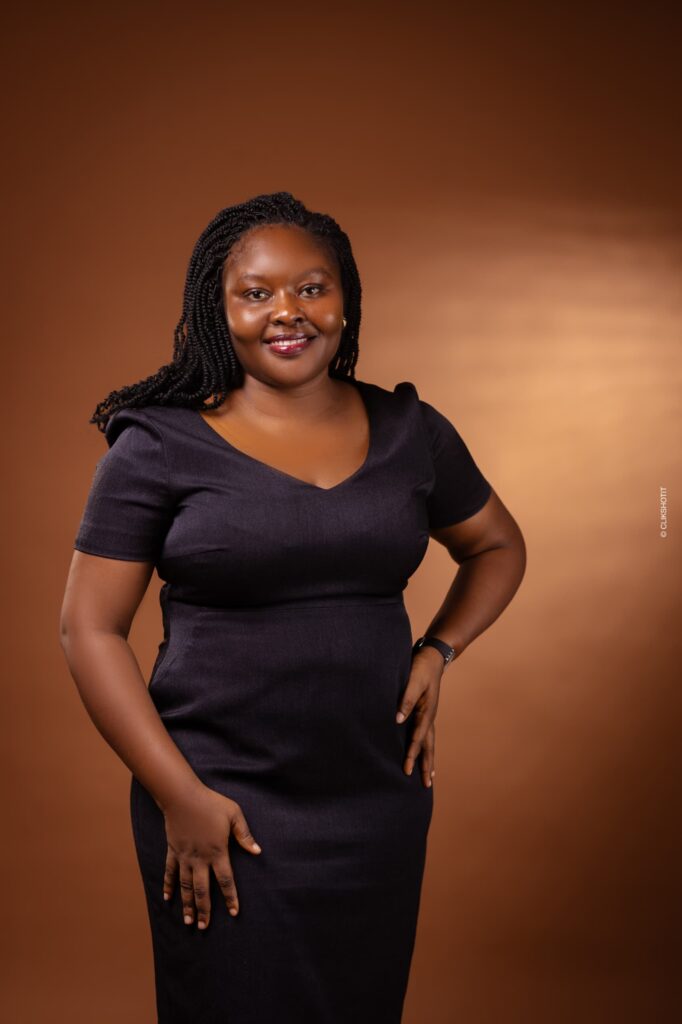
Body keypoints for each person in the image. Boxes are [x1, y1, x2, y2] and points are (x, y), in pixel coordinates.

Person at [60, 191, 526, 1023]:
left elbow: (497, 546)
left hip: (375, 800)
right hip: (220, 799)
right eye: (256, 292)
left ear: (346, 300)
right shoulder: (159, 444)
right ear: (219, 308)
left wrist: (438, 649)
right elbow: (87, 629)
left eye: (312, 288)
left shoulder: (410, 430)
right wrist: (178, 796)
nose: (288, 311)